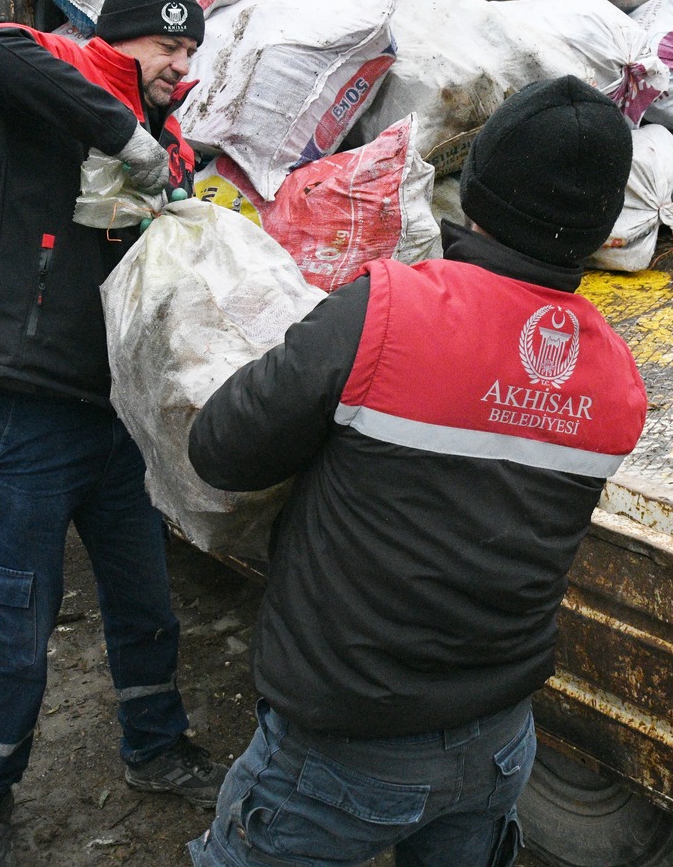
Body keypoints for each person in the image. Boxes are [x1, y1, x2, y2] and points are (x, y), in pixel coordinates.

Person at [183, 78, 645, 867]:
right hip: (500, 742)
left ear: (478, 194)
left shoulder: (387, 311)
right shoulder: (616, 383)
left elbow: (220, 447)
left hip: (342, 749)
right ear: (601, 227)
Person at [0, 0, 228, 865]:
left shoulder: (168, 132)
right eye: (165, 47)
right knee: (17, 616)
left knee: (144, 594)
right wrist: (118, 131)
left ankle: (155, 745)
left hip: (114, 414)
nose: (177, 65)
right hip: (23, 407)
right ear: (121, 38)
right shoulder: (61, 74)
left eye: (189, 52)